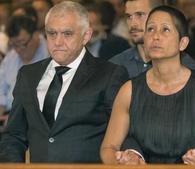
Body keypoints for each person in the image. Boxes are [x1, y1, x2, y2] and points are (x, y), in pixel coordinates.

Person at [101, 5, 195, 164]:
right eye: (150, 29)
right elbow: (108, 148)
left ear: (182, 43)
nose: (155, 36)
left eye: (165, 30)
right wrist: (121, 163)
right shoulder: (129, 90)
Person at [0, 1, 128, 163]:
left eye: (67, 34)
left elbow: (122, 135)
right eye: (52, 33)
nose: (58, 42)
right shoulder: (28, 75)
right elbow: (14, 135)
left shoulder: (109, 75)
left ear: (86, 35)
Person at [109, 0, 195, 78]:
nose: (133, 24)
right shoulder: (116, 65)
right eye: (129, 17)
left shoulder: (188, 68)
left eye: (140, 15)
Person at [0, 15, 48, 117]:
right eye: (14, 45)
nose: (18, 50)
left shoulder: (50, 55)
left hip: (36, 118)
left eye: (22, 43)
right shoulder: (11, 57)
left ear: (36, 35)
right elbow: (1, 89)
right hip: (8, 115)